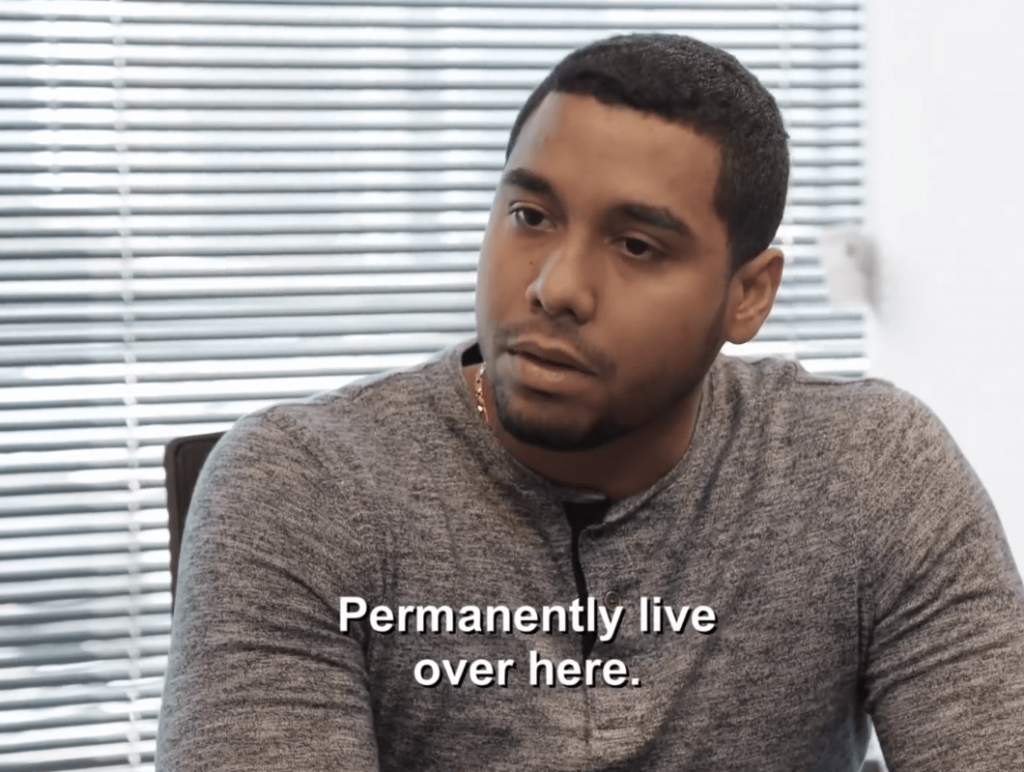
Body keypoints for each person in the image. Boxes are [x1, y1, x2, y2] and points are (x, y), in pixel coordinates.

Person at [156, 33, 1024, 771]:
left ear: (748, 295)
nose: (556, 287)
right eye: (531, 216)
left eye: (637, 245)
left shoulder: (871, 470)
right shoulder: (303, 487)